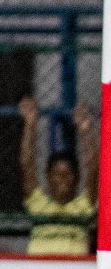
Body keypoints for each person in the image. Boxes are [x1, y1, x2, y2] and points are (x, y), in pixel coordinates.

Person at [19, 96, 97, 256]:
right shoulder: (38, 204)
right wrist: (30, 123)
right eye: (57, 174)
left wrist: (85, 128)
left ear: (77, 179)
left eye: (68, 174)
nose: (62, 179)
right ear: (47, 178)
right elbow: (27, 164)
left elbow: (94, 167)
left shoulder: (83, 206)